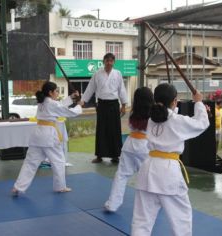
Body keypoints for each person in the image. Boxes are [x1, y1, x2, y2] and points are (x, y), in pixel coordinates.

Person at [131, 83, 209, 236]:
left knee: (141, 220)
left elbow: (168, 115)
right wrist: (198, 102)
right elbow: (202, 123)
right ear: (174, 101)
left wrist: (176, 106)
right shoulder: (177, 121)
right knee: (181, 219)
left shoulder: (151, 118)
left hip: (148, 169)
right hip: (167, 172)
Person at [12, 82, 82, 195]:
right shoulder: (51, 104)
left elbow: (59, 105)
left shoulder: (43, 101)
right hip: (49, 136)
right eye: (56, 91)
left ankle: (18, 187)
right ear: (50, 92)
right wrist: (79, 105)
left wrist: (71, 98)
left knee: (30, 163)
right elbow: (68, 112)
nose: (58, 93)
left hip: (37, 135)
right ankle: (60, 187)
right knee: (58, 161)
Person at [104, 87, 154, 212]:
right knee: (150, 177)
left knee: (121, 175)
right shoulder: (154, 114)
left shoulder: (133, 113)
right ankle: (151, 205)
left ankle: (112, 204)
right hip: (145, 148)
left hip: (129, 145)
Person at [79, 53, 128, 164]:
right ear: (103, 61)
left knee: (114, 131)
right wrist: (83, 101)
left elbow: (122, 90)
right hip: (102, 105)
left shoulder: (118, 74)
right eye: (107, 61)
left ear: (114, 62)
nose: (109, 63)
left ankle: (115, 156)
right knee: (101, 130)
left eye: (111, 61)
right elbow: (90, 88)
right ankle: (99, 155)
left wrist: (124, 105)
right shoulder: (97, 74)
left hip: (114, 105)